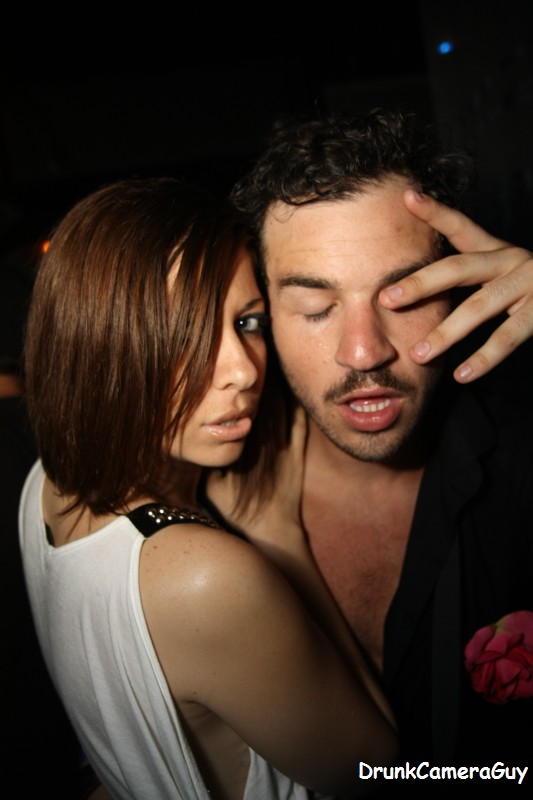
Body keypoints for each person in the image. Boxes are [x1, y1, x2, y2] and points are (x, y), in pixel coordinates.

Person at [18, 176, 397, 800]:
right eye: (185, 332)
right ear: (102, 344)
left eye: (248, 321)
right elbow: (377, 772)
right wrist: (280, 540)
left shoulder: (46, 485)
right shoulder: (205, 579)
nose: (243, 370)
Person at [208, 108, 533, 794]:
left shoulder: (519, 463)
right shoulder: (202, 506)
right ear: (261, 315)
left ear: (461, 286)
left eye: (403, 296)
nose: (364, 352)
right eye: (315, 307)